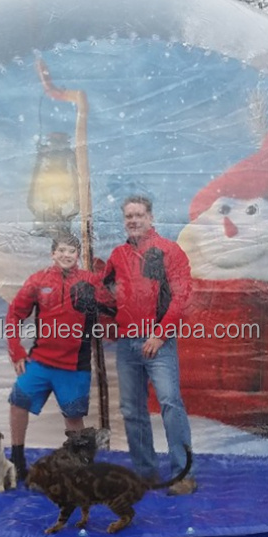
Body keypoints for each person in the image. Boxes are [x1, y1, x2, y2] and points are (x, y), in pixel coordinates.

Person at [102, 195, 196, 495]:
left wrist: (160, 334)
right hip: (127, 345)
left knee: (170, 403)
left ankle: (182, 474)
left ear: (151, 217)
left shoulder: (170, 251)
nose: (133, 220)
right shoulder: (117, 256)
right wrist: (109, 328)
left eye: (138, 215)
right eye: (128, 216)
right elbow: (105, 294)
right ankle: (146, 474)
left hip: (159, 343)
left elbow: (181, 296)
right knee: (132, 410)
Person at [6, 233, 112, 482]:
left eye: (72, 251)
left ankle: (81, 468)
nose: (66, 255)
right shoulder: (37, 280)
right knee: (17, 401)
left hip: (74, 367)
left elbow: (113, 307)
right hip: (40, 362)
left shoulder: (90, 281)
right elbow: (14, 315)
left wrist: (103, 291)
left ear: (78, 255)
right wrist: (17, 351)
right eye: (62, 250)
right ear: (53, 254)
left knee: (74, 418)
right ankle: (18, 461)